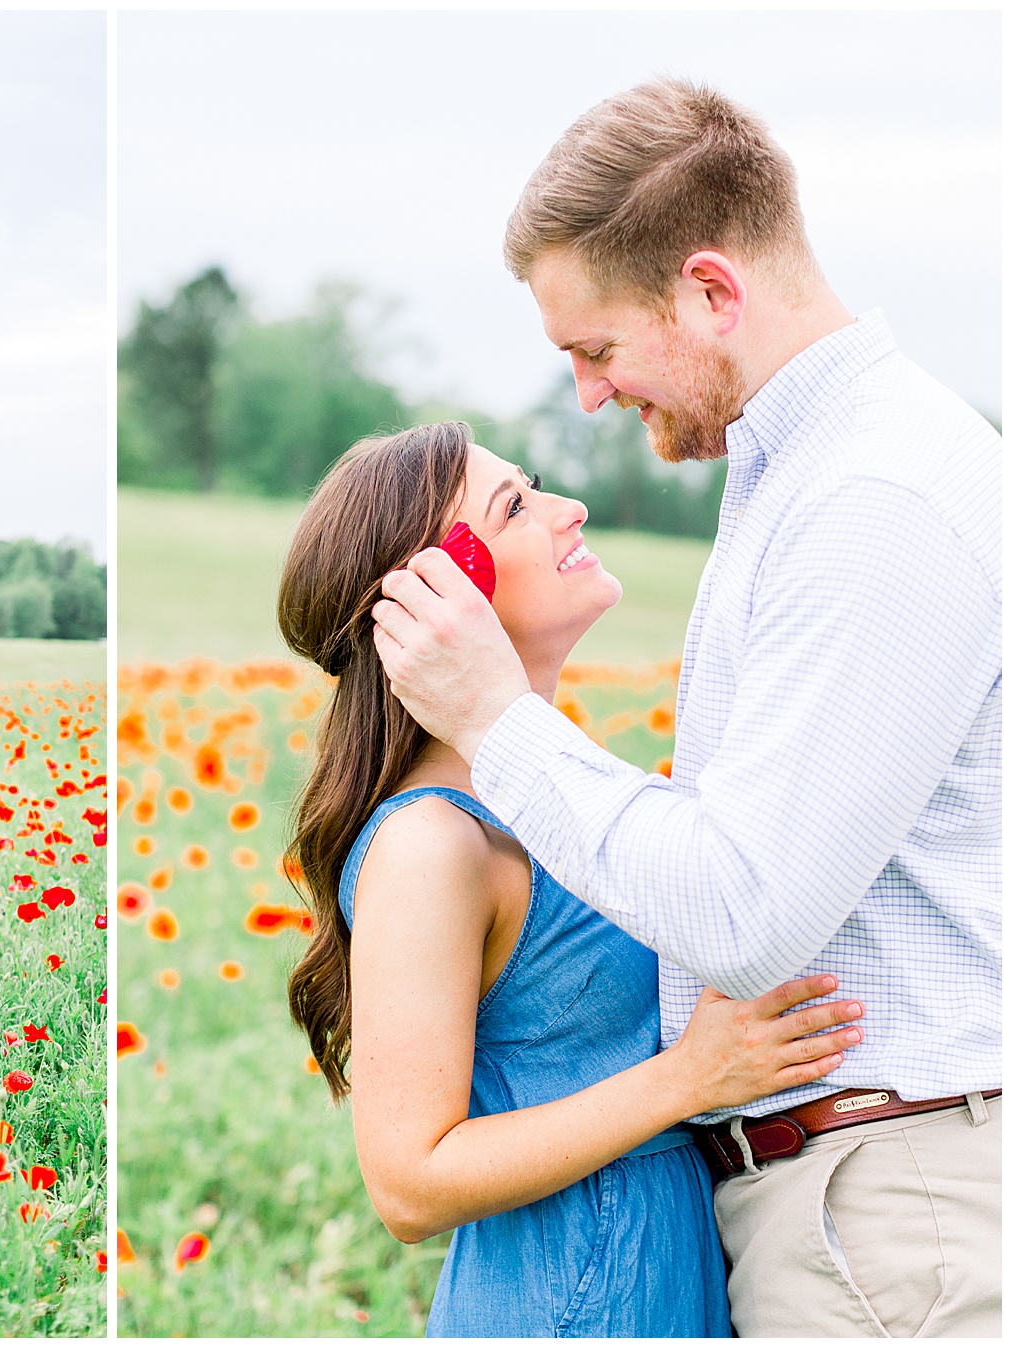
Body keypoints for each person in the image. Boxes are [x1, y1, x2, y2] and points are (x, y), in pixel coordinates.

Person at [371, 79, 1000, 1336]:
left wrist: (500, 718)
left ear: (711, 290)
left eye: (595, 350)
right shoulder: (803, 475)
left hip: (883, 1210)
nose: (591, 397)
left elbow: (742, 911)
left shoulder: (871, 499)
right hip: (847, 1198)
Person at [278, 423, 864, 1337]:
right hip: (572, 1298)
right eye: (516, 506)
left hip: (661, 1270)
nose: (569, 509)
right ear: (438, 596)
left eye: (535, 485)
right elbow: (409, 1181)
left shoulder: (556, 794)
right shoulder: (432, 842)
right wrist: (689, 1079)